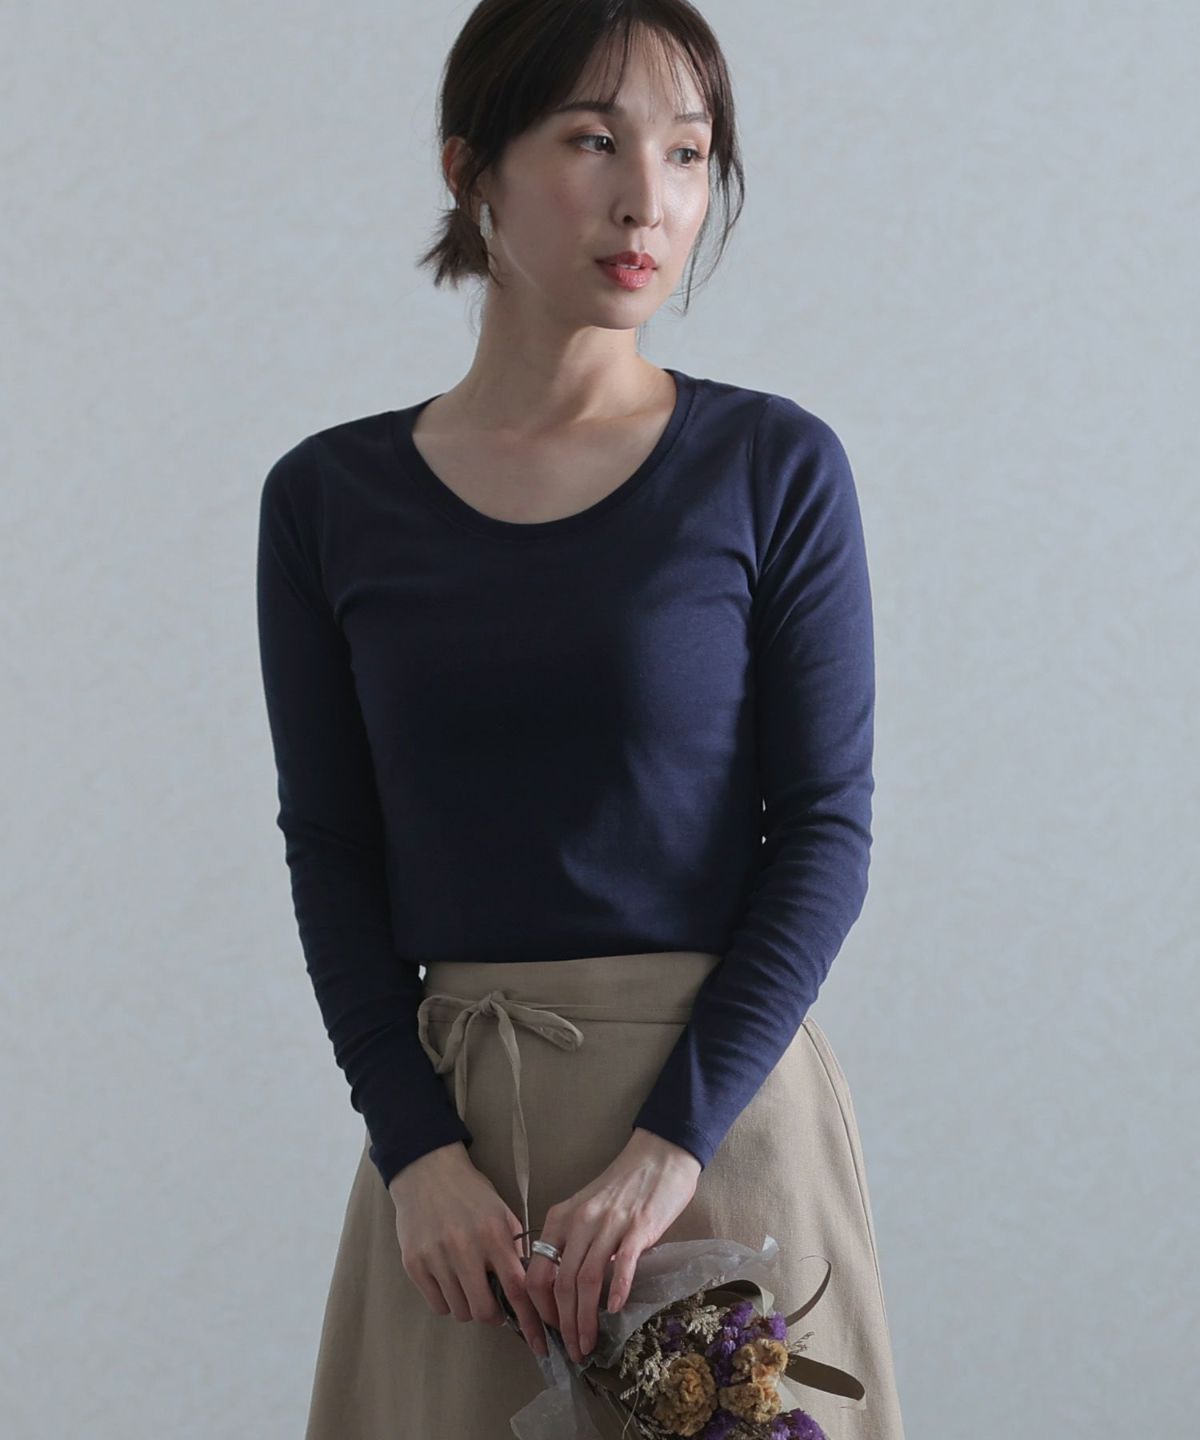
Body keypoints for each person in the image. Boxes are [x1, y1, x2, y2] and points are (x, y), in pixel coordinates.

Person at [255, 2, 907, 1436]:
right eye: (594, 141)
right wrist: (416, 1155)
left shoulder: (772, 466)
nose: (647, 200)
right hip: (458, 1176)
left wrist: (670, 1148)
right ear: (469, 167)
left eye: (689, 153)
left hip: (719, 1137)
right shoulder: (327, 501)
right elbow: (332, 854)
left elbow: (823, 834)